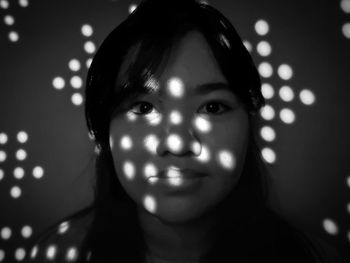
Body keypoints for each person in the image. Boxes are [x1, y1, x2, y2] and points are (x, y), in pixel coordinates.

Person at [28, 0, 342, 262]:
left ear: (249, 124)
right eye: (143, 108)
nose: (177, 143)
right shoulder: (59, 255)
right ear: (105, 130)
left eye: (213, 107)